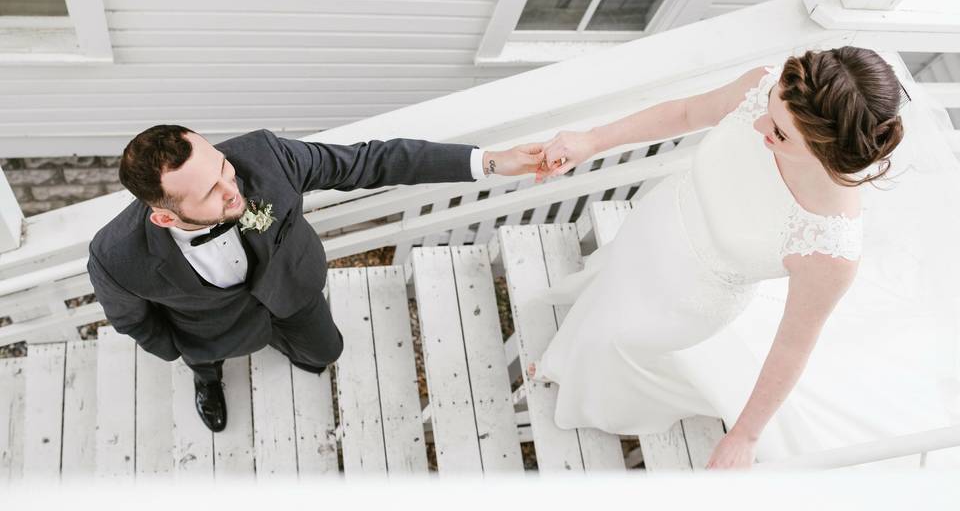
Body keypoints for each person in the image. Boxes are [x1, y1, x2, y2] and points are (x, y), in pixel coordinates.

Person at [527, 46, 960, 469]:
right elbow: (684, 114)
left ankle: (581, 382)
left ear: (830, 153)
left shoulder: (830, 245)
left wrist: (745, 435)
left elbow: (792, 347)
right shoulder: (764, 87)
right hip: (657, 226)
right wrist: (590, 140)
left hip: (686, 300)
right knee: (608, 292)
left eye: (781, 134)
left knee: (615, 341)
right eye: (769, 109)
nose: (757, 124)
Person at [88, 127, 542, 432]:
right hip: (208, 332)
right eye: (210, 192)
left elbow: (373, 161)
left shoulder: (268, 157)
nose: (235, 189)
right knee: (203, 362)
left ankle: (295, 351)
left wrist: (490, 162)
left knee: (325, 352)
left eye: (223, 166)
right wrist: (177, 349)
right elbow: (133, 321)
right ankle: (208, 379)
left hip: (293, 293)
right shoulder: (115, 256)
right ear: (166, 216)